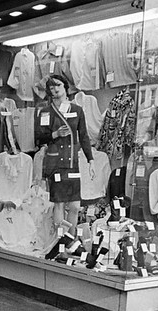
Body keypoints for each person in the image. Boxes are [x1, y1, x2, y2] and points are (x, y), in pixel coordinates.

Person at [35, 74, 94, 238]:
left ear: (65, 87)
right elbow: (39, 138)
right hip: (55, 163)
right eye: (51, 87)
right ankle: (60, 242)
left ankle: (71, 239)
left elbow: (83, 136)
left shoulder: (77, 110)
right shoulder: (46, 112)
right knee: (59, 204)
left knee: (75, 205)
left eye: (58, 85)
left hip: (72, 162)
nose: (55, 89)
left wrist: (91, 160)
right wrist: (55, 134)